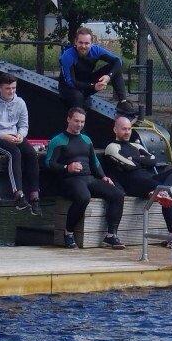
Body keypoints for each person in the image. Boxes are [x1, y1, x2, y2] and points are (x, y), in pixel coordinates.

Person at [44, 106, 125, 249]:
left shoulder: (86, 140)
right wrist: (67, 167)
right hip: (69, 179)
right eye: (76, 121)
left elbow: (95, 162)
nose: (79, 124)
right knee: (83, 197)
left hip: (89, 178)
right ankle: (68, 233)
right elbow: (48, 163)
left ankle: (111, 235)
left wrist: (103, 177)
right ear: (68, 119)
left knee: (117, 194)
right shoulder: (58, 140)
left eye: (82, 122)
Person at [100, 115, 172, 245]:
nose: (127, 132)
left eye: (129, 129)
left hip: (149, 180)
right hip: (131, 183)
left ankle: (162, 191)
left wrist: (134, 158)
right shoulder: (112, 147)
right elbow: (129, 166)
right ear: (115, 130)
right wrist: (141, 160)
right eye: (124, 129)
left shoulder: (136, 146)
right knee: (161, 188)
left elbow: (154, 160)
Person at [0, 74, 41, 212]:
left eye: (13, 88)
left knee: (31, 153)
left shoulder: (20, 102)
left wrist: (20, 136)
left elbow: (24, 126)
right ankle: (18, 194)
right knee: (14, 153)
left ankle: (34, 195)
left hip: (14, 135)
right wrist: (4, 136)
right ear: (0, 88)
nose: (11, 91)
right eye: (8, 88)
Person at [58, 26, 127, 111]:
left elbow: (118, 61)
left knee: (115, 68)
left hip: (87, 82)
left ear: (91, 43)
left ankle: (123, 103)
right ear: (75, 42)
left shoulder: (96, 50)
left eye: (87, 43)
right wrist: (93, 86)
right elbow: (71, 82)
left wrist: (108, 76)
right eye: (80, 43)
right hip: (69, 88)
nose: (83, 46)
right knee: (78, 97)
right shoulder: (67, 56)